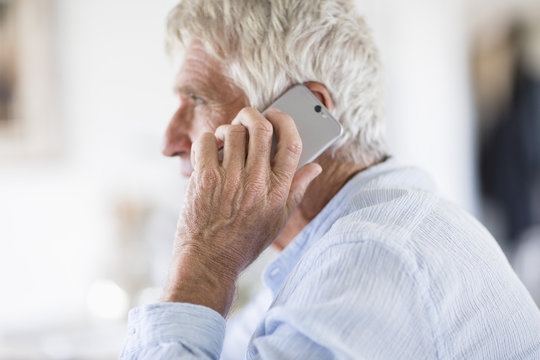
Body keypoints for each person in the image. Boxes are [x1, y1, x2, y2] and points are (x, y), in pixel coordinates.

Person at [121, 0, 540, 358]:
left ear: (298, 120)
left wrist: (203, 264)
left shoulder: (371, 257)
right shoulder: (329, 248)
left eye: (196, 99)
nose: (171, 141)